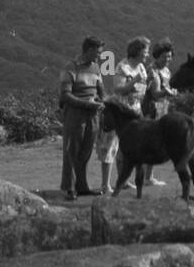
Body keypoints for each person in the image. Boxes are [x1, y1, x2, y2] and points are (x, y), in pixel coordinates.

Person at [95, 36, 152, 195]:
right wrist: (134, 81)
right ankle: (105, 185)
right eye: (146, 51)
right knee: (110, 146)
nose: (147, 54)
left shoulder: (140, 67)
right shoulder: (122, 67)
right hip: (119, 112)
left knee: (129, 148)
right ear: (138, 51)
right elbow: (118, 89)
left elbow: (142, 87)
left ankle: (124, 180)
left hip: (135, 110)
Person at [58, 35, 106, 199]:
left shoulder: (96, 67)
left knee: (85, 151)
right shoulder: (71, 67)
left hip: (93, 114)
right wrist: (86, 104)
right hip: (75, 114)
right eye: (98, 53)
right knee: (72, 150)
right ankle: (70, 188)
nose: (99, 56)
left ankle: (82, 186)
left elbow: (100, 89)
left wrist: (102, 100)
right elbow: (65, 95)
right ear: (89, 50)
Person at [140, 38, 175, 187]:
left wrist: (172, 92)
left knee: (157, 143)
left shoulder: (166, 71)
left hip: (163, 109)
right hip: (151, 110)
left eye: (169, 56)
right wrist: (166, 92)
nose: (167, 59)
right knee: (148, 143)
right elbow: (154, 93)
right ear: (157, 56)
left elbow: (168, 89)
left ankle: (149, 176)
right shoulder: (151, 70)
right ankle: (144, 177)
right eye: (164, 57)